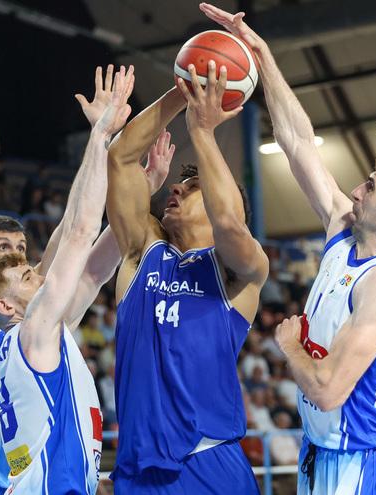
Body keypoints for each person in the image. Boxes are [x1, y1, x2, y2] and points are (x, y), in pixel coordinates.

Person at [200, 6, 376, 494]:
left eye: (371, 188)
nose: (356, 191)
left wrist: (290, 344)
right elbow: (296, 142)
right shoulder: (344, 228)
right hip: (323, 446)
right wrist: (262, 56)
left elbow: (329, 390)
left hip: (363, 457)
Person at [0, 63, 168, 495]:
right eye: (9, 255)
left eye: (25, 253)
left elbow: (86, 261)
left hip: (29, 477)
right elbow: (75, 232)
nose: (27, 262)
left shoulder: (42, 325)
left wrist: (136, 193)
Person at [0, 64, 133, 495]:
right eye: (25, 276)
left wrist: (139, 193)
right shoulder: (33, 332)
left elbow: (94, 271)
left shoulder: (37, 339)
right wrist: (100, 136)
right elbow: (77, 234)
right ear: (7, 306)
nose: (38, 275)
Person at [105, 47, 269, 491]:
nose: (176, 186)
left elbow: (231, 223)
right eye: (181, 182)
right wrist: (182, 92)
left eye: (193, 186)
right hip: (138, 470)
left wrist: (203, 130)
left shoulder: (239, 271)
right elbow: (120, 158)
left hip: (208, 460)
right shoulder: (144, 252)